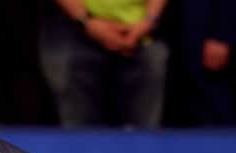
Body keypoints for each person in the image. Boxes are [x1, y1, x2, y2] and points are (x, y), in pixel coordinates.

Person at [39, 0, 168, 128]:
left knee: (143, 136)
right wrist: (85, 20)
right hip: (71, 29)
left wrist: (150, 20)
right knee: (79, 133)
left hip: (143, 33)